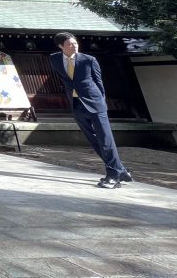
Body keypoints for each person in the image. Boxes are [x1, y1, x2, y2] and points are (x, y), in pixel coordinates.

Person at [50, 31, 132, 189]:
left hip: (95, 103)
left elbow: (99, 83)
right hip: (76, 104)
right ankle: (120, 170)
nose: (74, 46)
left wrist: (101, 103)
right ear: (61, 46)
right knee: (93, 139)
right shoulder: (54, 59)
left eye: (75, 43)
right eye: (70, 44)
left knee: (105, 139)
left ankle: (114, 175)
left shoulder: (88, 60)